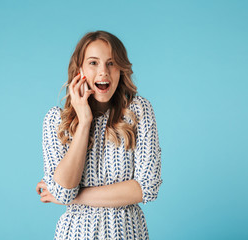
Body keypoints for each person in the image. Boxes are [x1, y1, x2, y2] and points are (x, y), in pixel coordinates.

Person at [36, 30, 162, 240]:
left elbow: (146, 188)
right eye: (93, 63)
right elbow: (64, 191)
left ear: (121, 69)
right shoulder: (56, 121)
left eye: (111, 63)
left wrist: (75, 198)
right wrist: (84, 121)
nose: (103, 72)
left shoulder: (139, 112)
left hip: (128, 233)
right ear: (80, 69)